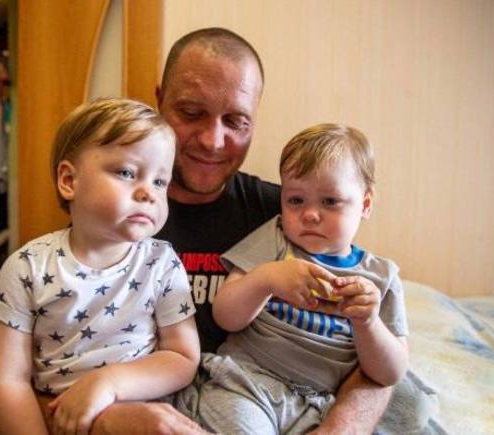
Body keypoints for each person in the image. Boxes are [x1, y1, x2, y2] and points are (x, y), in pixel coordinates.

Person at [94, 28, 395, 435]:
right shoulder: (110, 214)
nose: (212, 141)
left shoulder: (287, 216)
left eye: (235, 121)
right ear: (159, 100)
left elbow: (373, 363)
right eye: (191, 113)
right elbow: (45, 357)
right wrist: (108, 420)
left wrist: (338, 429)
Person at [0, 98, 200, 435]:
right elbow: (6, 381)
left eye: (160, 182)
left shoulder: (162, 263)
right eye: (127, 172)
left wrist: (108, 382)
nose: (149, 193)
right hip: (58, 420)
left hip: (145, 419)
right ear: (69, 180)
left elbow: (183, 356)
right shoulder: (27, 268)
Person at [195, 123, 410, 434]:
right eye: (296, 200)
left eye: (329, 201)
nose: (309, 214)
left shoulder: (380, 277)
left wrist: (368, 322)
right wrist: (266, 278)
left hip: (319, 405)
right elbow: (226, 316)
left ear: (365, 204)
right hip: (247, 384)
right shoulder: (275, 240)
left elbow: (390, 374)